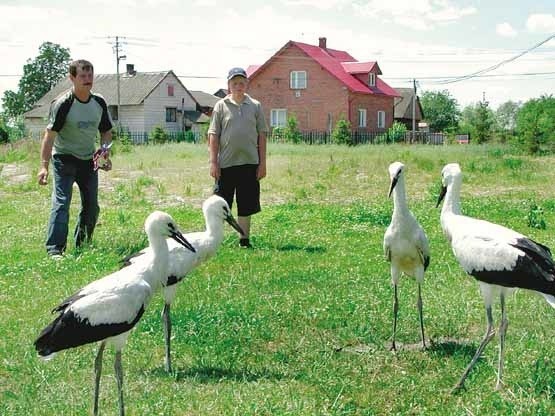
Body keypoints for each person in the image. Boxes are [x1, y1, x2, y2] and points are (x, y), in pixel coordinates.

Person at [37, 59, 113, 258]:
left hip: (89, 160)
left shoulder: (99, 102)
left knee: (91, 206)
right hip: (64, 158)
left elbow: (106, 131)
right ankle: (55, 251)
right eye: (83, 76)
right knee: (62, 203)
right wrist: (44, 167)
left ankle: (83, 246)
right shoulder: (63, 103)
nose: (88, 80)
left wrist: (103, 153)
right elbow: (49, 136)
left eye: (90, 75)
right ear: (72, 78)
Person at [208, 67, 268, 248]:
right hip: (225, 164)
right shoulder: (220, 106)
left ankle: (244, 240)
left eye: (242, 83)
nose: (238, 86)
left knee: (246, 203)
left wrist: (262, 163)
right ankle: (214, 241)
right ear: (229, 86)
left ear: (246, 84)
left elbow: (262, 135)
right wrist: (213, 162)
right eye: (235, 83)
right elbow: (213, 134)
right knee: (220, 204)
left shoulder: (255, 106)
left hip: (249, 163)